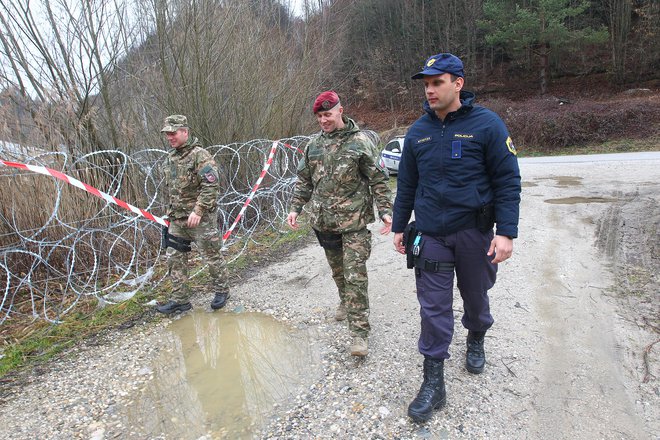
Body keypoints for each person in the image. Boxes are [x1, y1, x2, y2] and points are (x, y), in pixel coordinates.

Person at [391, 54, 521, 422]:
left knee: (475, 295)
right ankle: (433, 382)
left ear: (458, 83)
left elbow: (507, 181)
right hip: (431, 233)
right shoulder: (417, 132)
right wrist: (400, 226)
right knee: (432, 306)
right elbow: (407, 185)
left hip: (473, 232)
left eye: (437, 82)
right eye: (426, 84)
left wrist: (506, 232)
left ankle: (476, 333)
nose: (430, 90)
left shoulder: (488, 125)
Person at [287, 91, 393, 357]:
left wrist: (386, 211)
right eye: (320, 116)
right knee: (338, 272)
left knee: (355, 275)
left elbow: (378, 180)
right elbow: (304, 181)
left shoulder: (360, 143)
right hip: (324, 223)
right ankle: (345, 301)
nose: (323, 120)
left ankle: (359, 334)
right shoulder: (313, 146)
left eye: (328, 114)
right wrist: (294, 208)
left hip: (354, 223)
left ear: (340, 111)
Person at [156, 114, 230, 314]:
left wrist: (198, 210)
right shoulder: (170, 158)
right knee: (175, 258)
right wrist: (169, 213)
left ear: (185, 132)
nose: (170, 137)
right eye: (167, 134)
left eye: (173, 133)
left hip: (200, 220)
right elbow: (171, 189)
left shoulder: (200, 155)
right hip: (177, 220)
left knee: (211, 255)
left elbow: (211, 186)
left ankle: (222, 290)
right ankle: (180, 299)